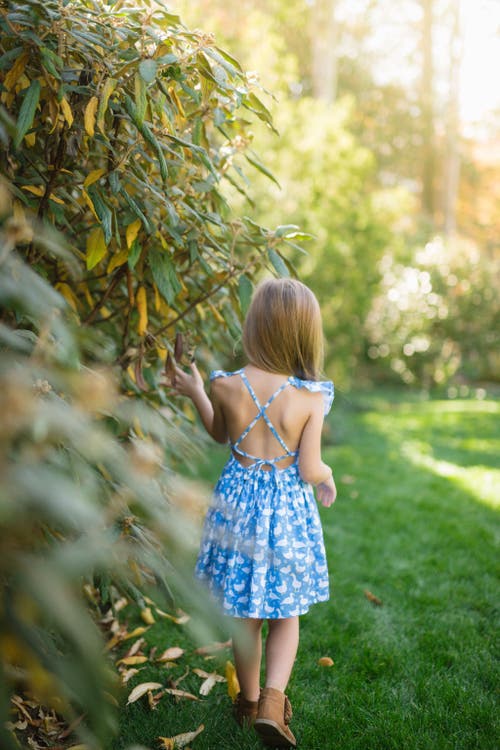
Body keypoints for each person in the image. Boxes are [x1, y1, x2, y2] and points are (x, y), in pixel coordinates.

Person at [167, 278, 336, 749]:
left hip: (236, 509)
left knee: (245, 614)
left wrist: (198, 390)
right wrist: (327, 474)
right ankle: (272, 704)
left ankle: (247, 701)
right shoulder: (311, 397)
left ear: (254, 326)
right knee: (285, 615)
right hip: (284, 512)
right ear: (304, 332)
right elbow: (308, 466)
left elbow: (220, 435)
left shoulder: (225, 385)